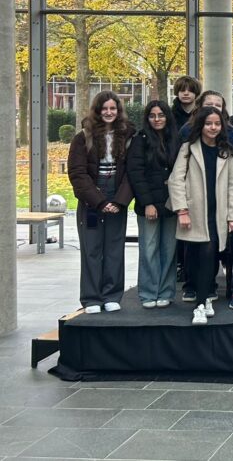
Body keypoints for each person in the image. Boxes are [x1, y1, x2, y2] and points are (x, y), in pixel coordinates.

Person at [167, 106, 233, 325]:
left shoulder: (229, 152)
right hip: (193, 213)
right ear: (201, 125)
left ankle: (204, 299)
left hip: (217, 214)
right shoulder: (188, 149)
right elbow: (176, 180)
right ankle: (201, 303)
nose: (213, 127)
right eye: (209, 123)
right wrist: (182, 210)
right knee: (196, 258)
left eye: (217, 124)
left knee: (210, 256)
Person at [68, 91, 136, 314]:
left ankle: (111, 295)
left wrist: (120, 201)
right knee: (92, 249)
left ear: (118, 111)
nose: (109, 113)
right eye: (104, 109)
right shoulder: (82, 137)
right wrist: (98, 201)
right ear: (97, 111)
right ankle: (91, 298)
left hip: (117, 196)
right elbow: (77, 173)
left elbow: (131, 172)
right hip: (92, 200)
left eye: (112, 109)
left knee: (114, 248)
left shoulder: (128, 135)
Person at [127, 100, 179, 309]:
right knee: (148, 250)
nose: (157, 119)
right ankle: (148, 292)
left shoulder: (175, 139)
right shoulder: (140, 140)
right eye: (152, 115)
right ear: (147, 118)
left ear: (167, 117)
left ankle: (166, 291)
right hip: (148, 204)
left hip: (171, 203)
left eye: (161, 115)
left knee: (169, 249)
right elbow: (136, 174)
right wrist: (147, 203)